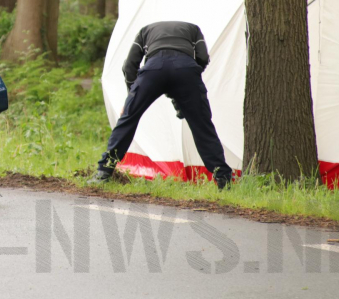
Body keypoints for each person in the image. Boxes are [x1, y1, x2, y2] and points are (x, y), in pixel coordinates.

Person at [89, 21, 233, 189]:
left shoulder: (144, 30)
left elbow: (129, 66)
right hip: (186, 70)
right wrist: (189, 83)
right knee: (202, 126)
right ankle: (223, 178)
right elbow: (202, 57)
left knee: (128, 119)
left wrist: (132, 99)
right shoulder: (194, 29)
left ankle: (103, 172)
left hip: (153, 70)